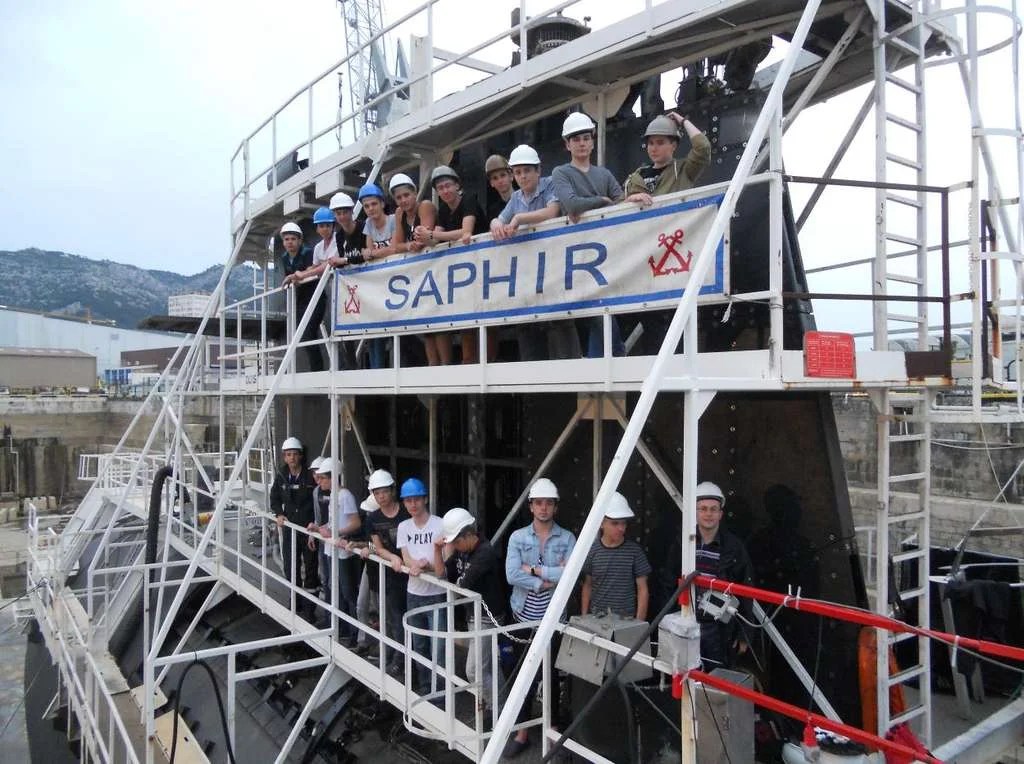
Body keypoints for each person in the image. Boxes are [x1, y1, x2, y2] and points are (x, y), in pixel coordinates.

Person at [504, 478, 576, 758]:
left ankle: (552, 729)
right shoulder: (517, 537)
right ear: (531, 506)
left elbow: (571, 573)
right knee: (522, 675)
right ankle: (522, 732)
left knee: (552, 675)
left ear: (555, 507)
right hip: (523, 616)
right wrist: (544, 581)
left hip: (554, 619)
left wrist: (534, 571)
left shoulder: (567, 538)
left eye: (548, 503)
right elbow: (512, 574)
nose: (543, 508)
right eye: (539, 503)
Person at [490, 144, 579, 361]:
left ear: (538, 170)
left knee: (560, 324)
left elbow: (552, 211)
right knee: (528, 330)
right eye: (518, 172)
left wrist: (519, 219)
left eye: (527, 171)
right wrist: (496, 225)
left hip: (555, 270)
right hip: (528, 276)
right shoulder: (516, 198)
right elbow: (498, 220)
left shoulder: (550, 184)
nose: (523, 176)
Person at [550, 112, 626, 358]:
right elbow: (571, 204)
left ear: (592, 142)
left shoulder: (604, 174)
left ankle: (609, 359)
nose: (582, 143)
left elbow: (621, 203)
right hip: (577, 254)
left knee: (605, 310)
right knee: (596, 313)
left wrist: (594, 203)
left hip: (606, 250)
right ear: (567, 144)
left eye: (585, 138)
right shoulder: (561, 173)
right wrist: (602, 200)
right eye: (576, 139)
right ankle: (606, 361)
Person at [418, 165, 493, 364]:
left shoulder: (469, 200)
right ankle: (469, 365)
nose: (445, 191)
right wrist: (422, 237)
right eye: (440, 188)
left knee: (488, 321)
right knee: (466, 320)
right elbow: (436, 240)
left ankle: (489, 362)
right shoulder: (443, 210)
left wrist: (432, 234)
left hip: (485, 267)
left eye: (448, 185)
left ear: (457, 185)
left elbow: (465, 232)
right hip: (464, 275)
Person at [438, 507, 508, 713]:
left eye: (456, 541)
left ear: (468, 534)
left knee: (474, 671)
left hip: (487, 617)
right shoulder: (463, 551)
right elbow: (444, 573)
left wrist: (449, 554)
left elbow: (461, 585)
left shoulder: (485, 553)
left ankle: (500, 712)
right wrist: (438, 549)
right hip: (475, 615)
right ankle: (503, 706)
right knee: (489, 666)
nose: (454, 546)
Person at [388, 173, 451, 366]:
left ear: (415, 193)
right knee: (425, 324)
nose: (403, 200)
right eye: (399, 197)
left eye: (406, 195)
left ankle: (446, 365)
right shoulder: (399, 214)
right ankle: (433, 365)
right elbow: (396, 245)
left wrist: (412, 244)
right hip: (419, 275)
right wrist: (409, 246)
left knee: (438, 321)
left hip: (437, 269)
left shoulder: (425, 206)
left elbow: (425, 236)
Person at [693, 481, 754, 670]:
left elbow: (746, 591)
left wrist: (744, 634)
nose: (708, 514)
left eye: (713, 509)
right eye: (703, 509)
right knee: (686, 677)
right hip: (687, 622)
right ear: (695, 512)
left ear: (721, 514)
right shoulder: (683, 543)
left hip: (718, 629)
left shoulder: (734, 548)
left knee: (716, 677)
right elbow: (668, 584)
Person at [395, 478, 447, 693]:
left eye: (416, 499)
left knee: (439, 648)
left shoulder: (440, 524)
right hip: (414, 593)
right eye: (408, 501)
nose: (413, 504)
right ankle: (426, 687)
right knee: (419, 645)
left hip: (437, 593)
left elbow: (445, 561)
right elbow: (405, 557)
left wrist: (426, 565)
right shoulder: (403, 526)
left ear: (425, 499)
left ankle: (440, 692)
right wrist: (415, 564)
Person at [359, 468, 410, 673]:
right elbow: (377, 546)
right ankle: (397, 657)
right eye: (377, 493)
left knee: (407, 619)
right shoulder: (372, 518)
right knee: (393, 618)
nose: (381, 496)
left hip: (410, 572)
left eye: (384, 491)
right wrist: (391, 557)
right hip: (389, 574)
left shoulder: (406, 512)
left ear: (392, 491)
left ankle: (407, 660)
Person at [309, 457, 363, 648]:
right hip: (332, 549)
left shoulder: (345, 495)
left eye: (323, 478)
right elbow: (334, 522)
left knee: (348, 592)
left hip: (343, 552)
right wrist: (319, 528)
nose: (320, 481)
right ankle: (343, 629)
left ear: (333, 477)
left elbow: (355, 522)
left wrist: (335, 533)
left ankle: (355, 633)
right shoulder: (334, 495)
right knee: (336, 590)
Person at [580, 492, 651, 620]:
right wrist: (584, 618)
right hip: (596, 620)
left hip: (626, 622)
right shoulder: (592, 551)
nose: (621, 528)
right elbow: (587, 585)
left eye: (623, 523)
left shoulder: (634, 551)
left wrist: (639, 623)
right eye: (615, 523)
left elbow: (642, 589)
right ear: (601, 523)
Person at [269, 436, 318, 619]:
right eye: (288, 454)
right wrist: (278, 514)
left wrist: (316, 526)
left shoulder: (310, 477)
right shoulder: (281, 476)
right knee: (291, 566)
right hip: (290, 529)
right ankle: (295, 602)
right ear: (284, 457)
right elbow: (274, 498)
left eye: (295, 454)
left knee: (311, 568)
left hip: (308, 530)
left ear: (300, 456)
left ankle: (310, 610)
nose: (292, 458)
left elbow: (319, 501)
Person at [623, 112, 711, 204]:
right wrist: (630, 200)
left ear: (674, 145)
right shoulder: (635, 177)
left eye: (660, 143)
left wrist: (683, 121)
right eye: (651, 143)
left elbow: (703, 147)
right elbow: (616, 207)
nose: (654, 149)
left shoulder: (683, 171)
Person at [278, 221, 326, 372]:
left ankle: (317, 370)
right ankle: (315, 369)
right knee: (302, 334)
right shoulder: (285, 257)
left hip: (316, 297)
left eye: (293, 239)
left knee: (309, 332)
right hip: (301, 300)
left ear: (300, 240)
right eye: (286, 239)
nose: (290, 242)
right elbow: (291, 278)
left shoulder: (307, 253)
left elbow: (310, 271)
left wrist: (295, 276)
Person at [358, 182, 396, 369]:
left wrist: (373, 253)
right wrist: (372, 253)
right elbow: (368, 253)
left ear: (382, 203)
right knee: (375, 330)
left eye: (374, 204)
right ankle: (377, 370)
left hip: (398, 281)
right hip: (380, 283)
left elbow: (395, 248)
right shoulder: (368, 224)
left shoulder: (393, 220)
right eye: (366, 206)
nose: (370, 209)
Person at [484, 153, 515, 223]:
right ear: (491, 183)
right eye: (495, 178)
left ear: (511, 176)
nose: (500, 181)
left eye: (503, 175)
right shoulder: (493, 211)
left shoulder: (524, 198)